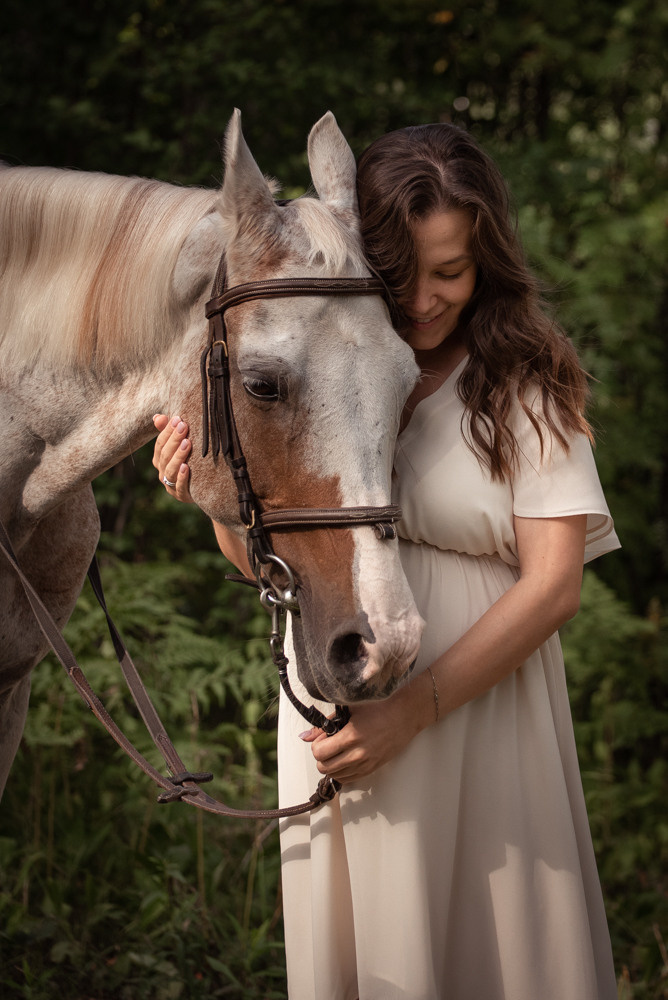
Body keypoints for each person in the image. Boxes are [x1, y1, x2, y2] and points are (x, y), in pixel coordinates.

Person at [153, 123, 620, 1000]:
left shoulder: (519, 377)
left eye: (454, 270)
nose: (430, 296)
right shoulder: (342, 374)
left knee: (499, 946)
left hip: (477, 714)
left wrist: (414, 713)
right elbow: (273, 571)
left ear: (489, 262)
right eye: (406, 271)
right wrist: (213, 503)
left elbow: (555, 585)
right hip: (341, 703)